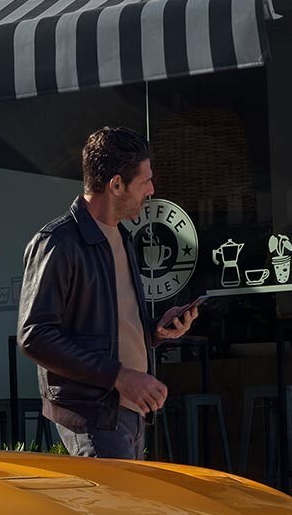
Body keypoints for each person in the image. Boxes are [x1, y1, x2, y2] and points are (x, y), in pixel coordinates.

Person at [17, 127, 199, 459]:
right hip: (93, 416)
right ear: (116, 185)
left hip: (130, 414)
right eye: (145, 181)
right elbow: (34, 335)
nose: (152, 190)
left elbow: (108, 325)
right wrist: (118, 376)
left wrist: (155, 331)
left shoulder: (123, 238)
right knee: (115, 511)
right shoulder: (58, 243)